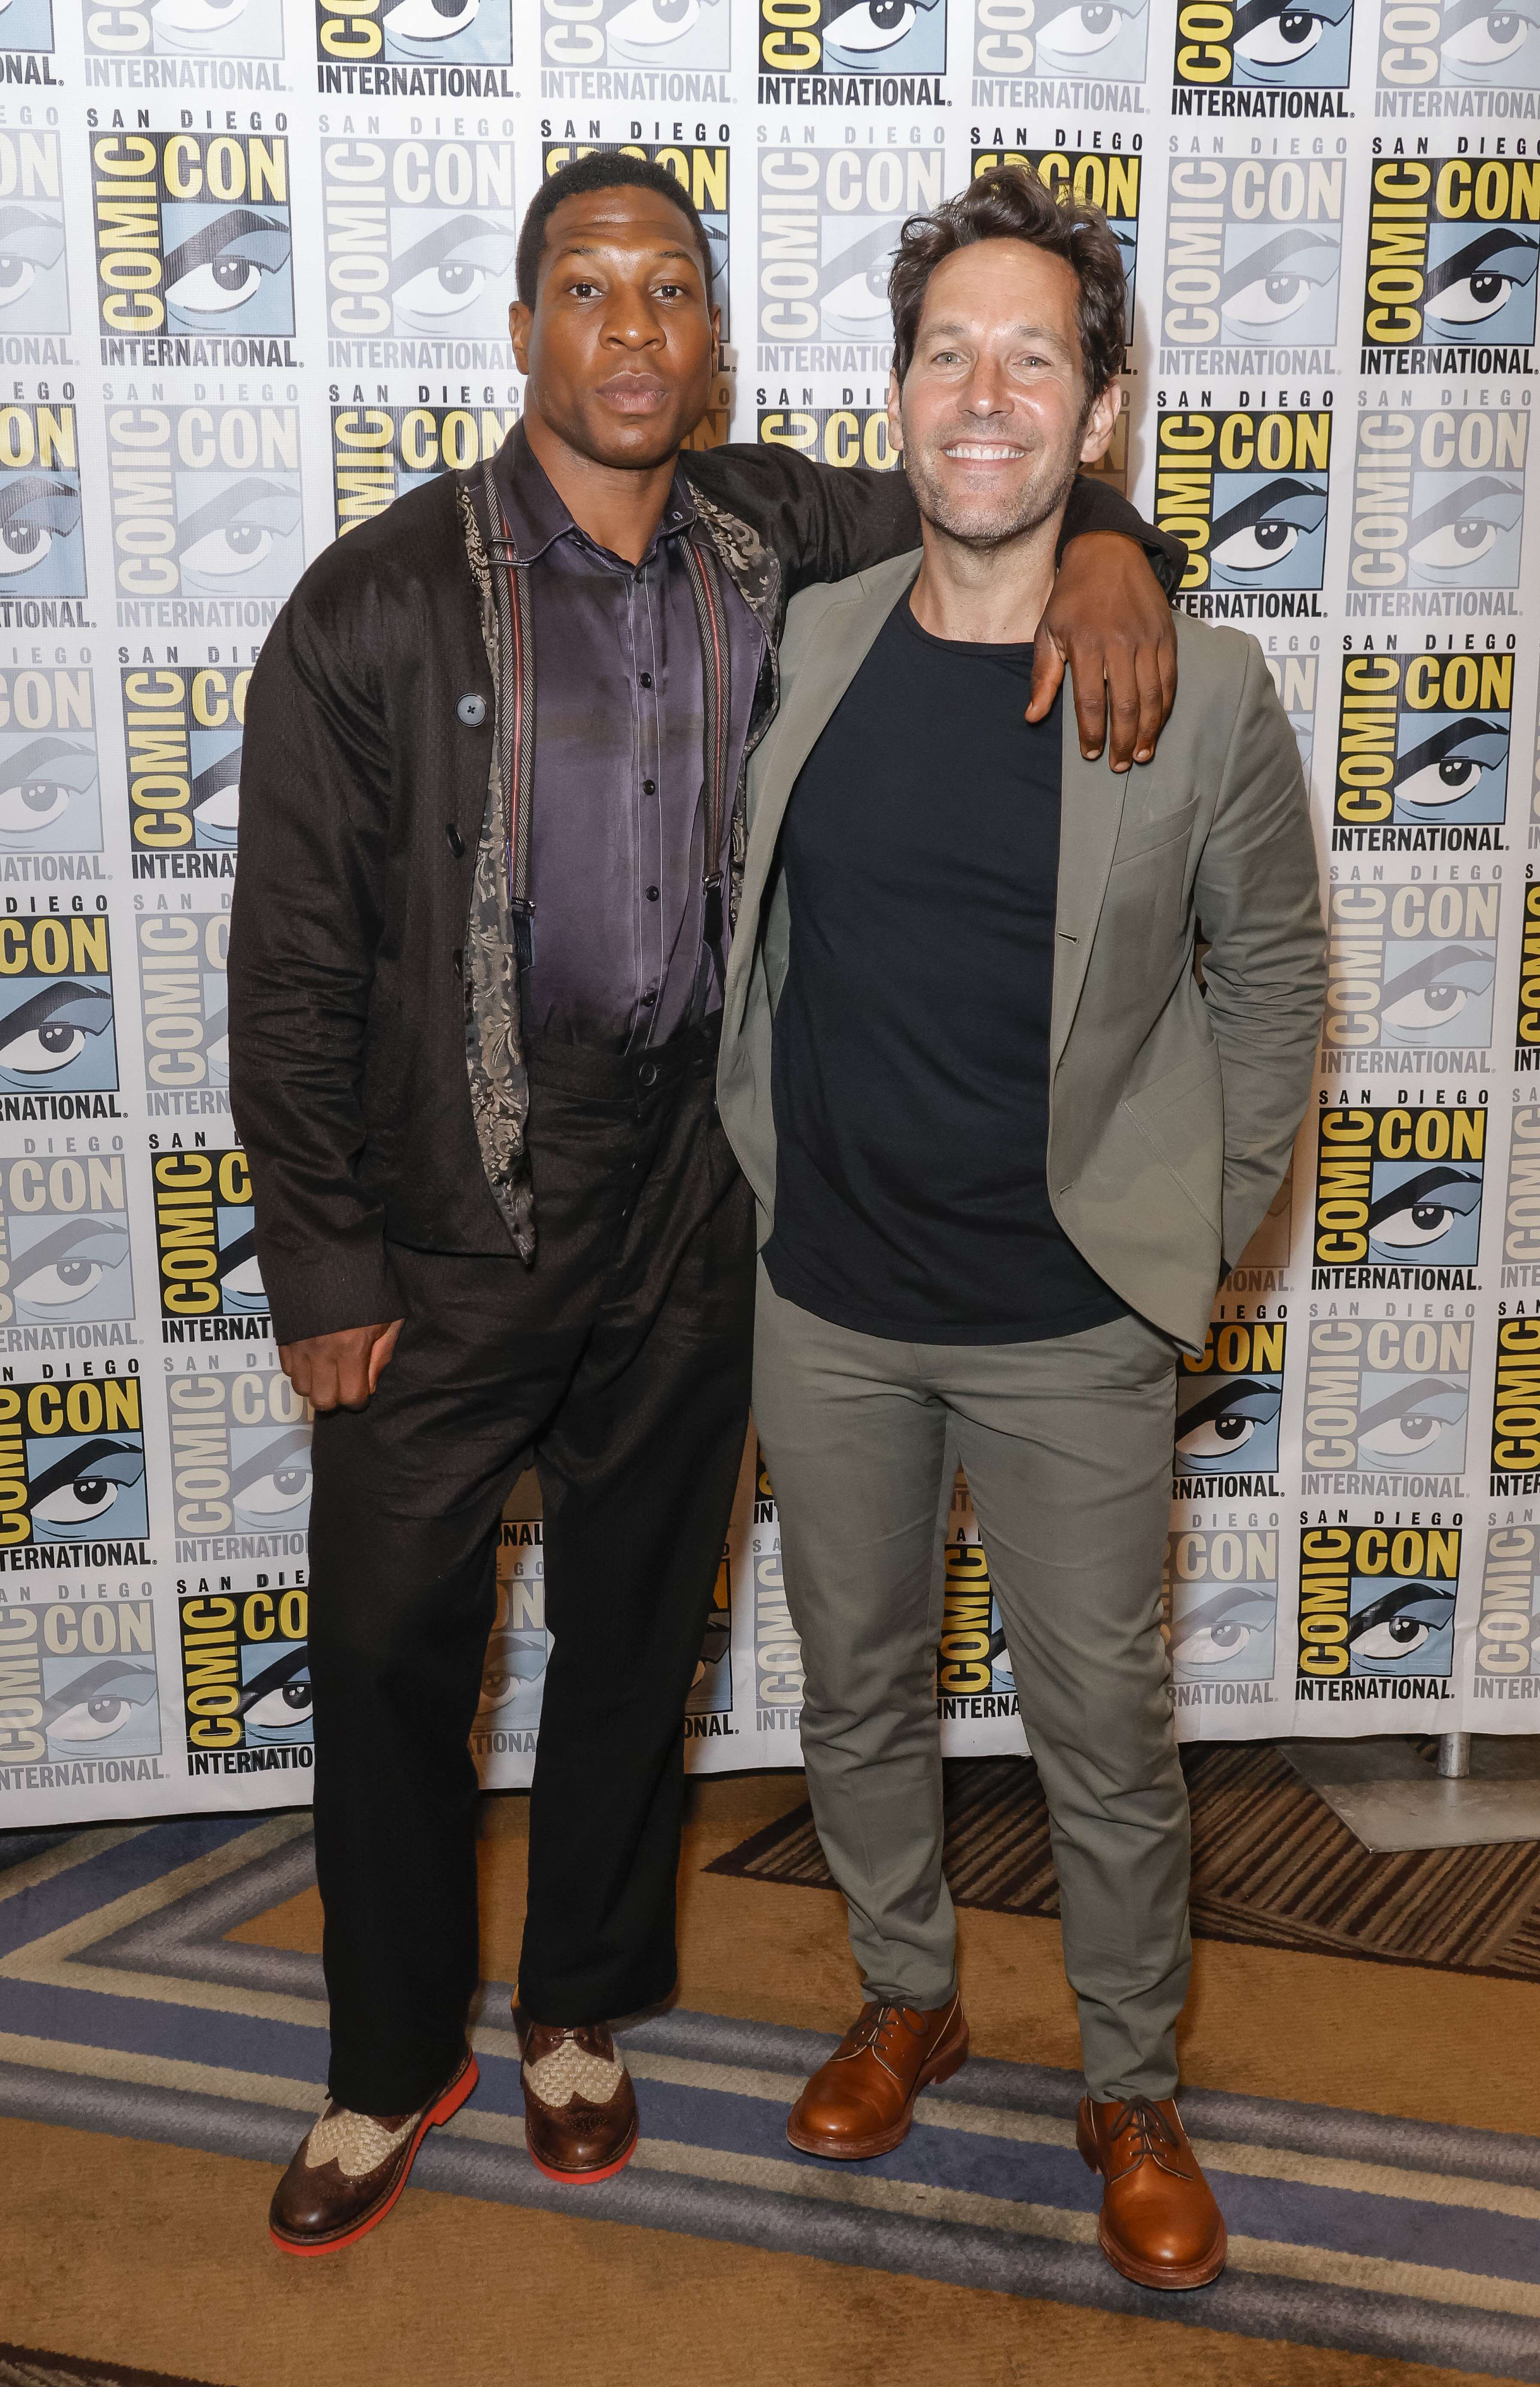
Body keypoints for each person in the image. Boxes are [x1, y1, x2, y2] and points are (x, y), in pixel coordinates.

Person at [228, 147, 1186, 2257]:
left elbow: (992, 490)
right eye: (588, 289)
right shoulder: (375, 601)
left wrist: (1120, 545)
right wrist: (322, 1256)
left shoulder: (774, 531)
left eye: (670, 289)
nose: (632, 327)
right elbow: (288, 962)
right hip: (447, 1198)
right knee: (384, 1645)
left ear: (715, 338)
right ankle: (388, 2056)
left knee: (637, 1629)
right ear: (521, 332)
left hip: (697, 1185)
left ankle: (577, 2008)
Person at [716, 163, 1326, 2293]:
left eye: (1034, 360)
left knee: (1103, 1732)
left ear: (1100, 409)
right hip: (831, 1298)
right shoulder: (808, 639)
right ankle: (908, 1995)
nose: (985, 395)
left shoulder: (1203, 689)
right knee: (858, 1689)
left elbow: (1274, 980)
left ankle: (1129, 2085)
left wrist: (1194, 1242)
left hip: (1072, 1318)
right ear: (896, 395)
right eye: (947, 354)